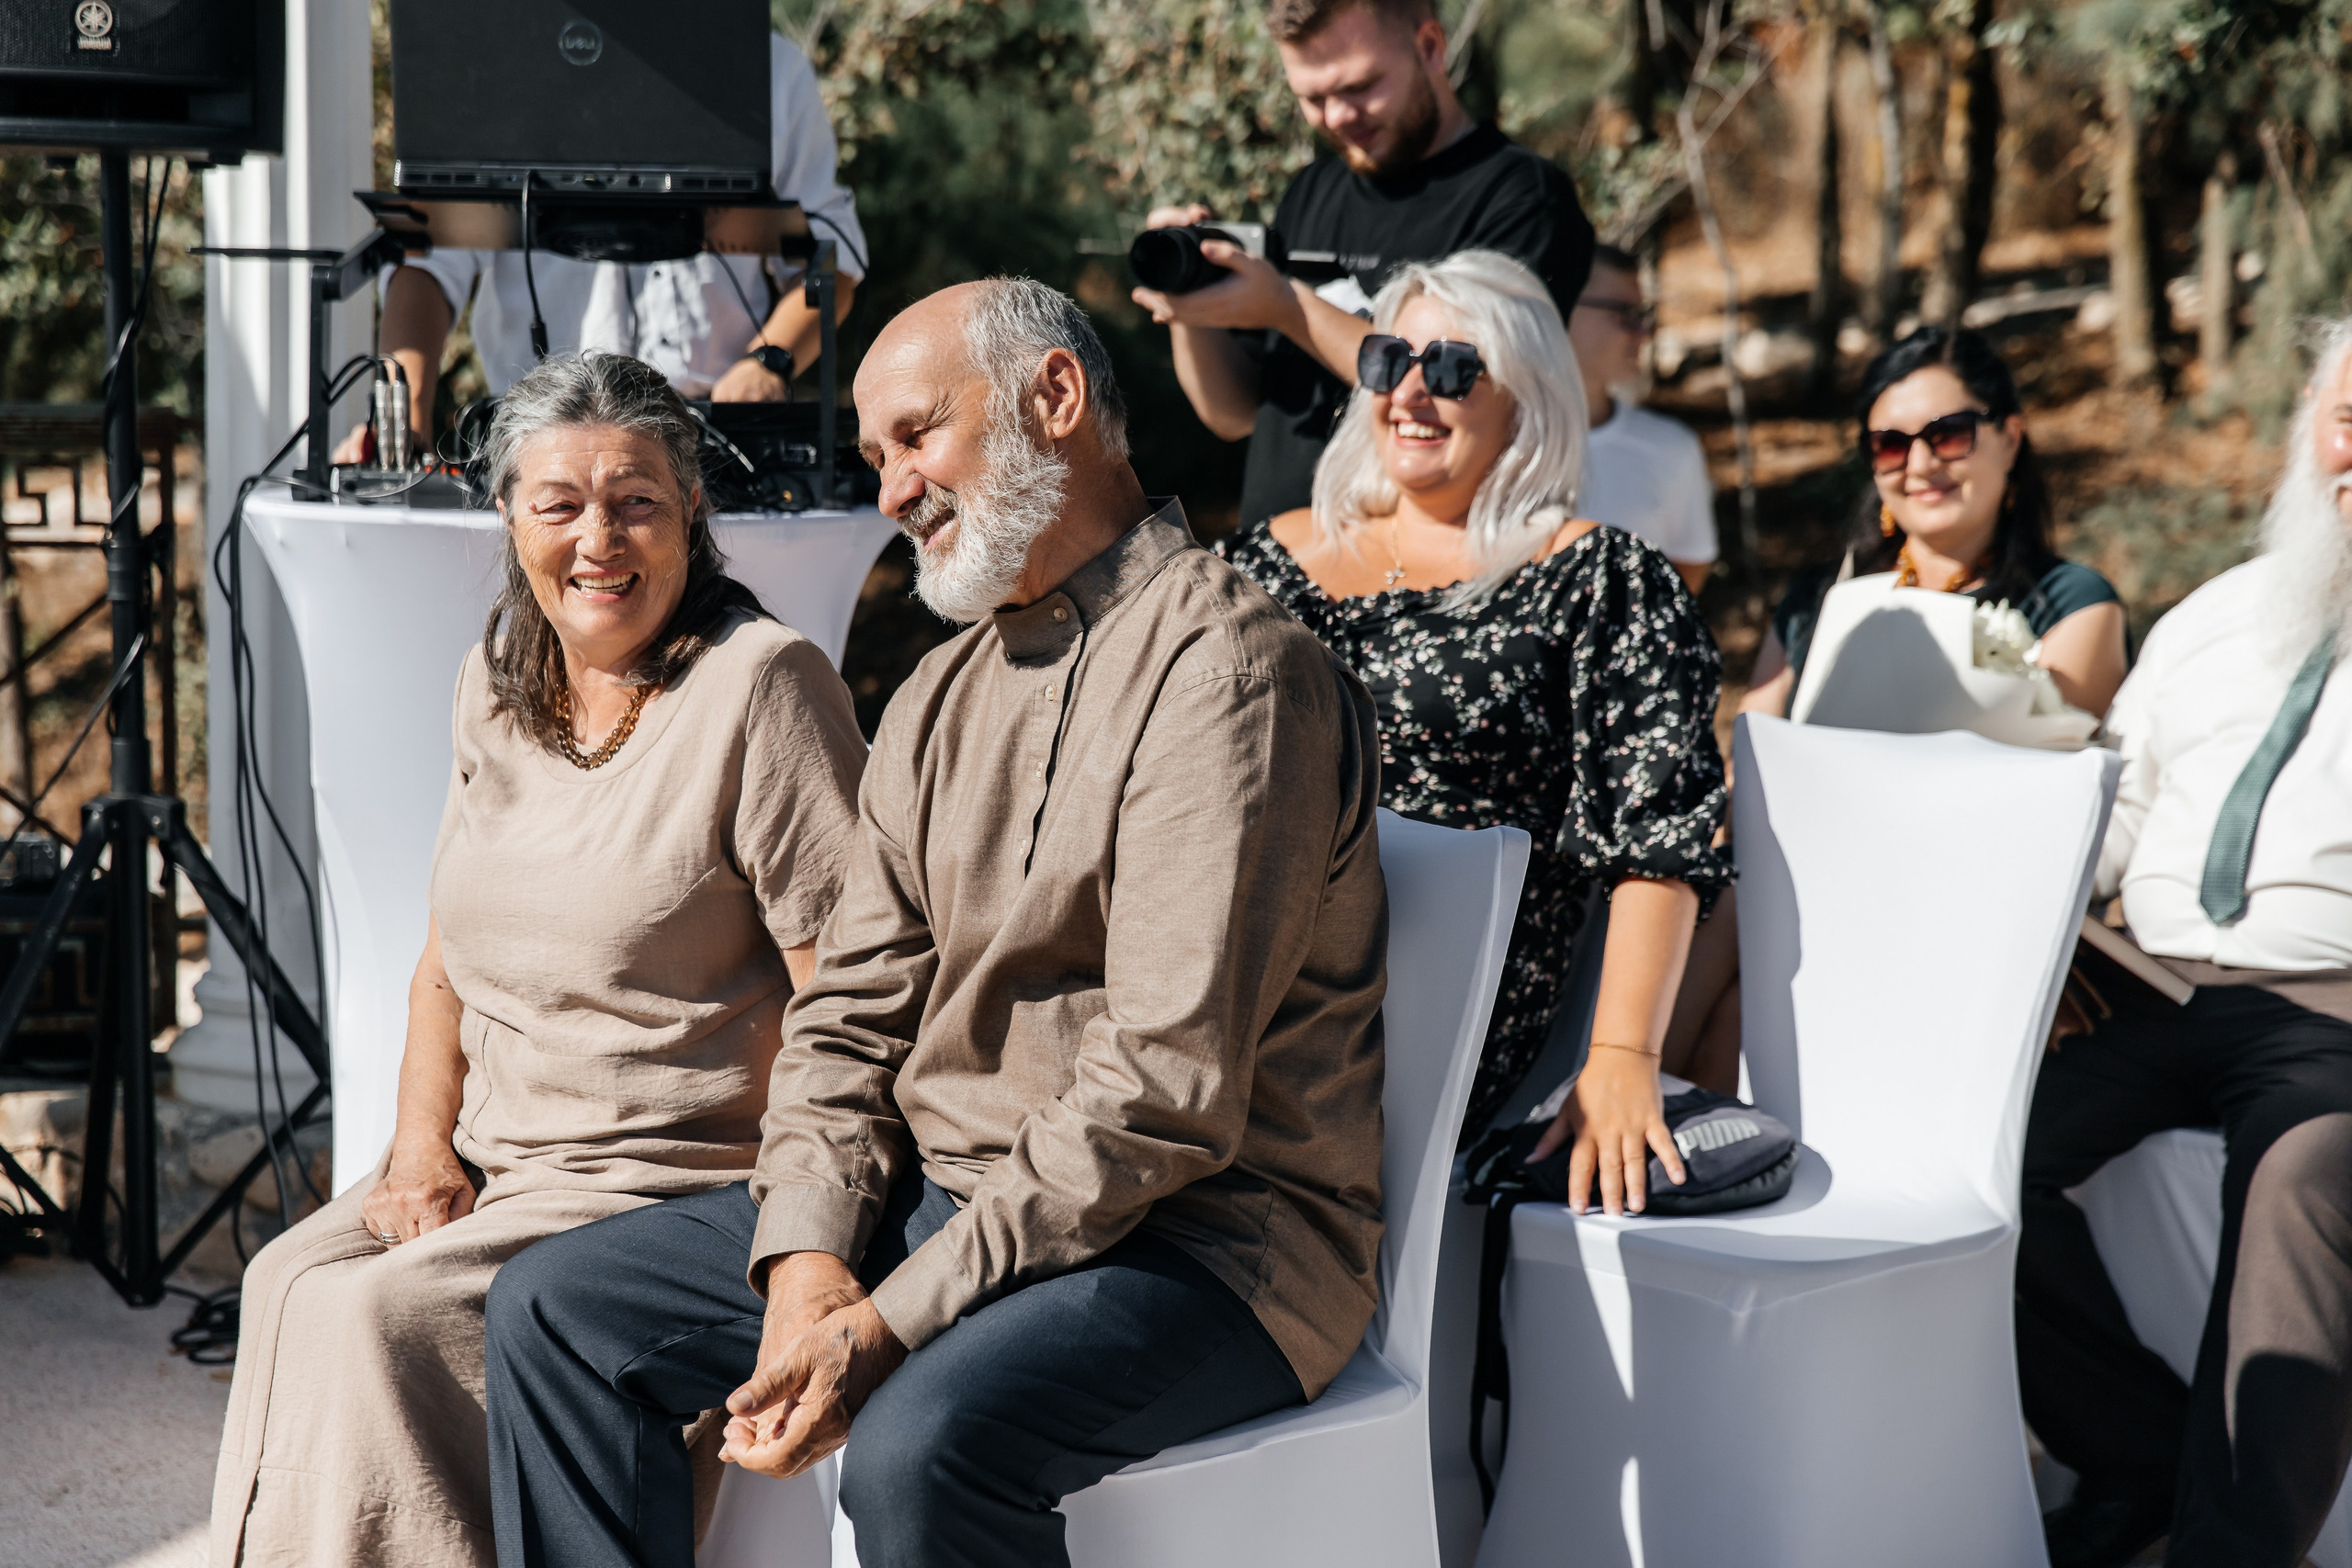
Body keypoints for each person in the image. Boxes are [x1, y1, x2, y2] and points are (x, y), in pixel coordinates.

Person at [480, 278, 1390, 1568]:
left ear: (1055, 398)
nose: (894, 490)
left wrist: (888, 1317)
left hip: (1207, 1242)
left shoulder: (1227, 673)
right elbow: (848, 1016)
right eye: (876, 459)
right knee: (557, 1308)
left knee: (919, 1444)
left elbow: (1162, 1094)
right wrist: (807, 1250)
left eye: (917, 436)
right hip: (945, 1197)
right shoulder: (938, 690)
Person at [206, 354, 867, 1566]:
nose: (597, 539)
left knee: (377, 1315)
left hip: (662, 1179)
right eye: (559, 503)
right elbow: (443, 960)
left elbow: (850, 995)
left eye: (636, 501)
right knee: (286, 1278)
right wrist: (418, 1150)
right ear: (509, 518)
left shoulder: (762, 686)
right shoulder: (497, 684)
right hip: (499, 1160)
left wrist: (817, 1236)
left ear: (691, 515)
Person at [1216, 249, 1729, 1209]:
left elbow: (1658, 835)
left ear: (1527, 396)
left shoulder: (1599, 580)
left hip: (1425, 1022)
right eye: (1388, 360)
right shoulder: (1254, 564)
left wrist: (1622, 1056)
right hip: (1230, 969)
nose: (1412, 393)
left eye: (1453, 369)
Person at [2017, 320, 2352, 1568]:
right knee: (1972, 1152)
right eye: (2350, 421)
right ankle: (2135, 1456)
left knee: (2305, 1175)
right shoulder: (2212, 615)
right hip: (2149, 985)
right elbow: (2118, 816)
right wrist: (2033, 933)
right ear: (2309, 432)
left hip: (2330, 1008)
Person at [1134, 0, 1596, 525]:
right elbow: (1233, 413)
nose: (1336, 116)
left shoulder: (1524, 198)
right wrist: (1190, 305)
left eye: (1358, 87)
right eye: (1312, 98)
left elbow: (1466, 388)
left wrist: (1288, 306)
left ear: (1430, 48)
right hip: (1278, 557)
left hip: (1423, 561)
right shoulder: (1313, 191)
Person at [341, 31, 866, 459]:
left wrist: (767, 361)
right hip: (535, 437)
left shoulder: (769, 68)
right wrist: (400, 430)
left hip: (716, 444)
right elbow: (427, 263)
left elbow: (831, 260)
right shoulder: (497, 70)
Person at [1744, 325, 2129, 723]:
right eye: (1891, 445)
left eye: (1949, 434)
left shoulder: (2070, 605)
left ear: (2010, 439)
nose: (1920, 465)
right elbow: (1751, 748)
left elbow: (2061, 752)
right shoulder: (1815, 601)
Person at [1570, 243, 1717, 595]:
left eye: (1642, 314)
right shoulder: (1488, 441)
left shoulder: (1671, 447)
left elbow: (1689, 569)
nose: (1643, 332)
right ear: (1560, 307)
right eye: (1623, 312)